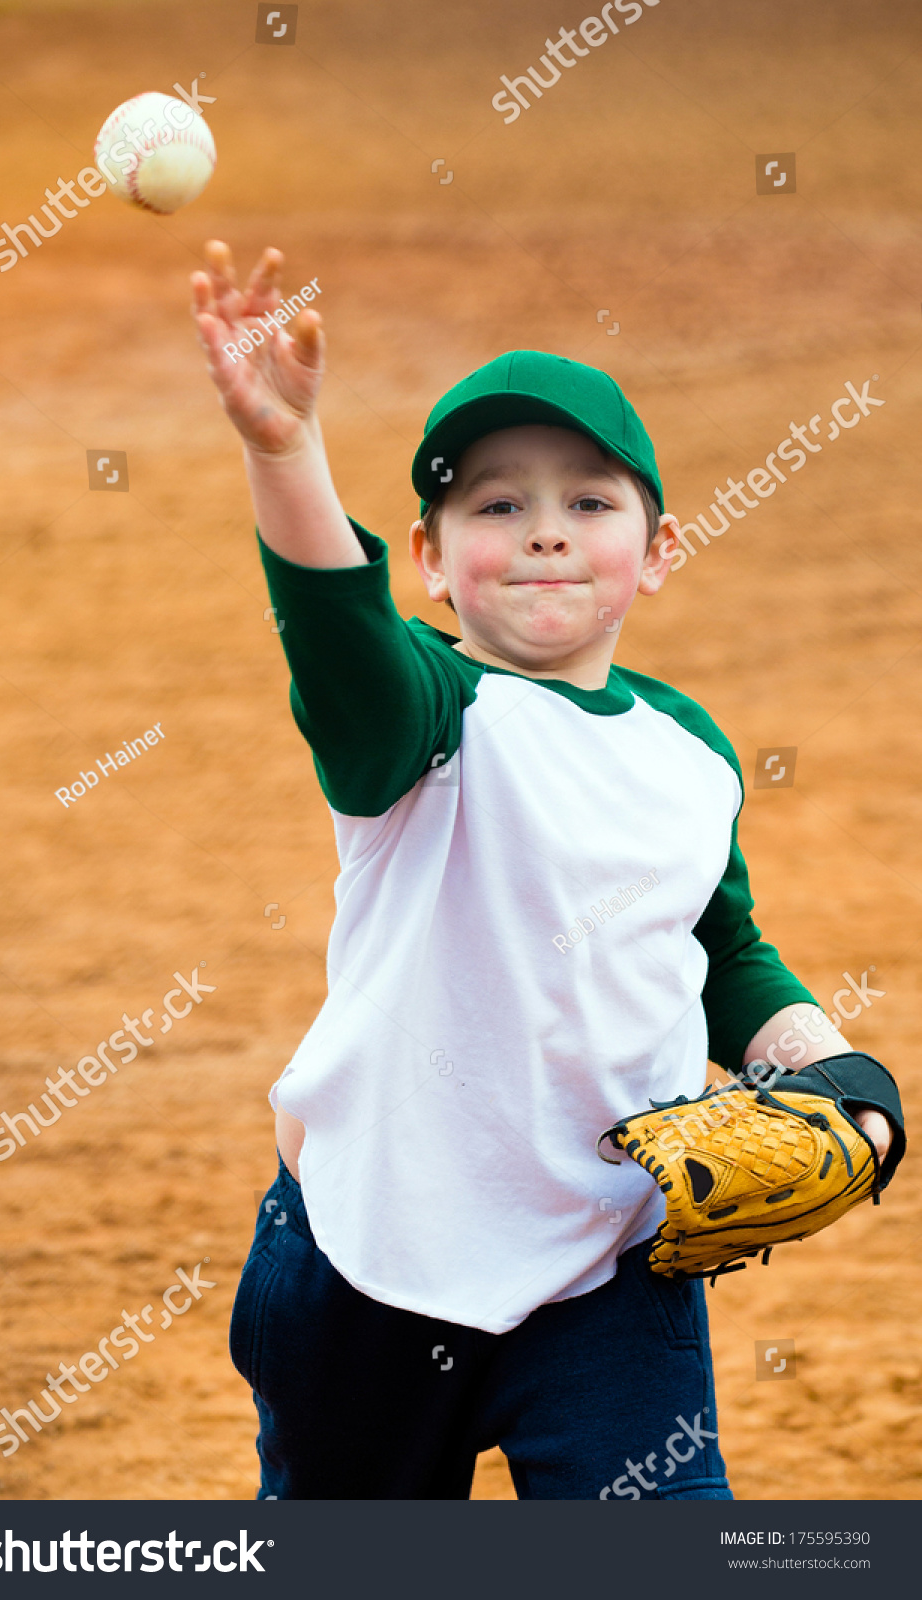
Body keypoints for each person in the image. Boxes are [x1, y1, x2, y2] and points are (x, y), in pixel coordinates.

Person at [190, 241, 897, 1500]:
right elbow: (338, 642)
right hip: (369, 1266)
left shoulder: (691, 749)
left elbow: (718, 948)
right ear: (430, 553)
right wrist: (284, 451)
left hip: (610, 1268)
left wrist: (826, 1065)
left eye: (588, 502)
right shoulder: (426, 714)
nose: (546, 536)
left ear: (659, 546)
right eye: (497, 506)